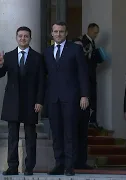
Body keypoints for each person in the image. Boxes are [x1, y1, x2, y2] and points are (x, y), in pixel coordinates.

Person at [0, 26, 45, 176]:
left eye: (26, 36)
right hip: (13, 102)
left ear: (30, 38)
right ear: (16, 38)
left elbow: (41, 82)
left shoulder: (37, 57)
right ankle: (12, 166)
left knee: (31, 136)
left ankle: (29, 166)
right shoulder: (9, 56)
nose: (23, 38)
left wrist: (39, 101)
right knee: (12, 136)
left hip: (31, 102)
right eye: (20, 36)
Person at [43, 22, 89, 176]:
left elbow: (83, 73)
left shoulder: (75, 49)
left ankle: (69, 166)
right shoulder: (48, 51)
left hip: (71, 97)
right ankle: (59, 164)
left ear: (66, 33)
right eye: (55, 31)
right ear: (52, 33)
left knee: (70, 132)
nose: (58, 34)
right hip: (53, 98)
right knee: (56, 133)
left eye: (61, 31)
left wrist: (84, 95)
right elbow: (45, 77)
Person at [72, 37, 93, 170]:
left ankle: (81, 161)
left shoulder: (88, 63)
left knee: (83, 133)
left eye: (81, 48)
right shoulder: (67, 63)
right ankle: (72, 160)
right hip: (70, 102)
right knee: (71, 133)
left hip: (84, 103)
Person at [81, 23, 100, 128]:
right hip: (87, 75)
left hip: (91, 74)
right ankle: (88, 121)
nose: (96, 35)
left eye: (97, 33)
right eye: (95, 32)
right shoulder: (84, 42)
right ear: (89, 30)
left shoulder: (92, 42)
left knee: (93, 98)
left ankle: (92, 120)